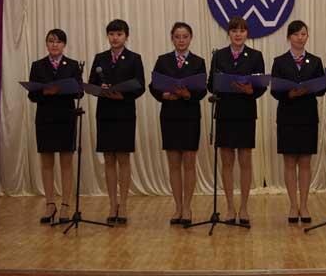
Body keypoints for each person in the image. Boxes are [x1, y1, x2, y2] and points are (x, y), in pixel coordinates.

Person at [207, 16, 266, 226]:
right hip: (224, 112)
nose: (238, 34)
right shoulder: (219, 55)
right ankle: (230, 207)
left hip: (245, 112)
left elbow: (261, 85)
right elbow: (210, 84)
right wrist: (221, 84)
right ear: (229, 33)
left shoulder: (255, 56)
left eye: (242, 31)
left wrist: (251, 90)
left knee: (245, 161)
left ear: (247, 33)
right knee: (227, 162)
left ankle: (244, 208)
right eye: (234, 30)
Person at [149, 22, 207, 225]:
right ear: (172, 38)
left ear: (191, 38)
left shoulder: (198, 62)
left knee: (189, 162)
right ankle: (178, 207)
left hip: (190, 115)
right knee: (173, 163)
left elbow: (203, 89)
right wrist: (163, 95)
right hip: (170, 115)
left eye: (185, 36)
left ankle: (188, 207)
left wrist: (188, 94)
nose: (181, 40)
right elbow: (153, 86)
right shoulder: (163, 60)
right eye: (177, 37)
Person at [89, 19, 145, 225]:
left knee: (123, 158)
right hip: (105, 112)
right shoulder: (100, 57)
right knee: (109, 159)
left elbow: (140, 86)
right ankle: (112, 204)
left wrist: (123, 95)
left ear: (126, 36)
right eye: (112, 34)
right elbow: (92, 83)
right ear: (108, 36)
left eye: (119, 34)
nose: (115, 38)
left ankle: (124, 204)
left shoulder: (134, 58)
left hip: (124, 112)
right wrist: (101, 88)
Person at [271, 20, 325, 223]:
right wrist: (290, 94)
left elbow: (322, 88)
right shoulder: (280, 61)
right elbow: (274, 90)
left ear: (307, 36)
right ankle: (293, 205)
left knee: (305, 162)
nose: (300, 38)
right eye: (295, 34)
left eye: (303, 34)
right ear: (289, 37)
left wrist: (310, 88)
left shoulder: (316, 61)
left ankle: (304, 205)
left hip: (308, 116)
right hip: (287, 116)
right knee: (289, 162)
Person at [28, 29, 82, 224]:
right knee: (47, 163)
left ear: (64, 44)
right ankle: (50, 204)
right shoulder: (38, 65)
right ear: (46, 44)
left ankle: (66, 205)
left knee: (66, 163)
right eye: (51, 41)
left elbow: (80, 92)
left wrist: (62, 89)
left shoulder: (73, 65)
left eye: (58, 41)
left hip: (66, 118)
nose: (54, 44)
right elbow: (32, 94)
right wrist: (46, 92)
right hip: (45, 118)